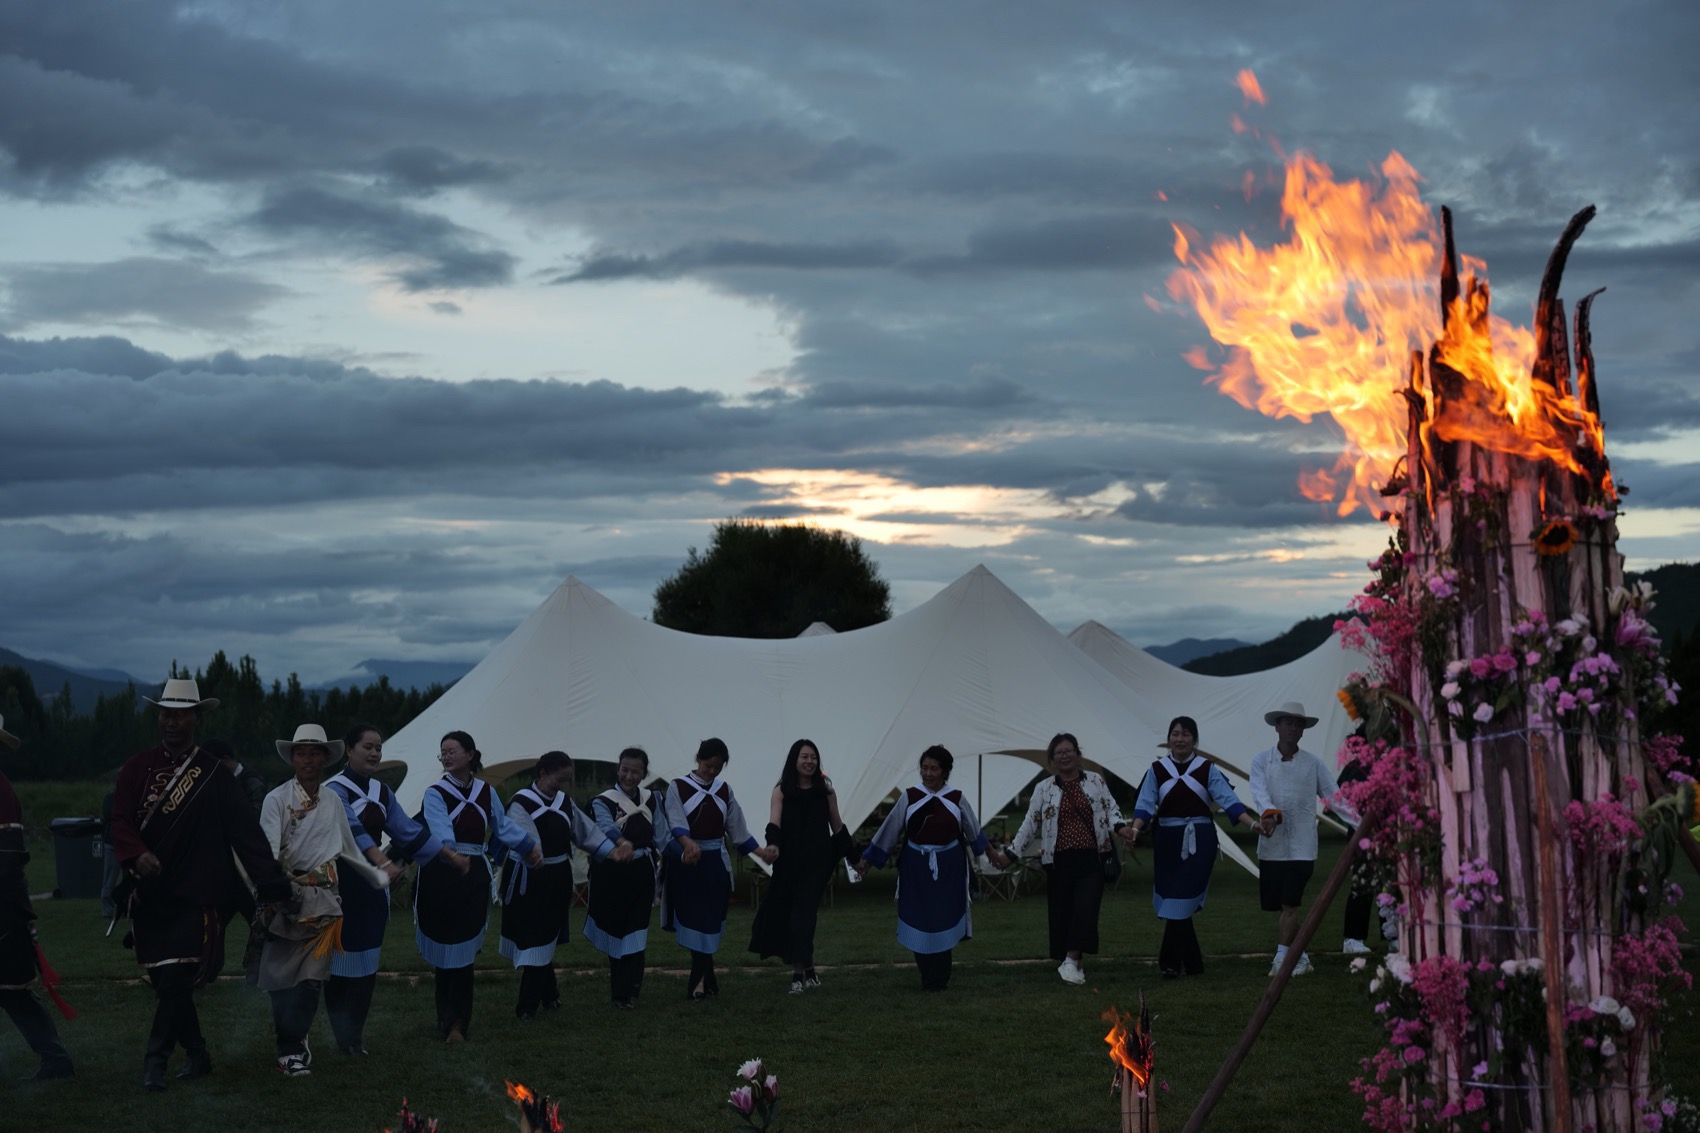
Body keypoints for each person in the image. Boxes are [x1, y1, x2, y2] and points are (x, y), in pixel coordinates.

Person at [108, 677, 290, 1091]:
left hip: (199, 897)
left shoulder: (213, 774)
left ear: (196, 718)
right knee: (165, 981)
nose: (172, 722)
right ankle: (198, 1053)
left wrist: (273, 886)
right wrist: (137, 854)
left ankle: (154, 1063)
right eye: (165, 713)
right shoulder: (136, 769)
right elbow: (119, 820)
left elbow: (246, 834)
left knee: (174, 980)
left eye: (181, 714)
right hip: (150, 896)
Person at [323, 723, 470, 1055]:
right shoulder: (333, 790)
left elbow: (408, 832)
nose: (375, 753)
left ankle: (353, 1039)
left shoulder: (382, 792)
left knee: (366, 965)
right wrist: (383, 863)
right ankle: (341, 1036)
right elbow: (353, 832)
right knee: (337, 966)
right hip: (340, 883)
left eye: (379, 747)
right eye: (368, 747)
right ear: (349, 750)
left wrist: (449, 856)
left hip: (372, 889)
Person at [257, 724, 388, 1077]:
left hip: (324, 897)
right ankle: (290, 1042)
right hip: (286, 893)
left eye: (315, 752)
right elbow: (268, 850)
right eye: (302, 752)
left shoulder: (333, 800)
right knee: (282, 978)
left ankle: (292, 1048)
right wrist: (273, 890)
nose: (308, 758)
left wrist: (375, 873)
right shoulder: (277, 799)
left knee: (311, 979)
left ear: (326, 758)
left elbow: (347, 845)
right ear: (293, 757)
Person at [416, 730, 542, 1042]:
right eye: (442, 751)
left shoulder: (487, 792)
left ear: (471, 754)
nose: (446, 756)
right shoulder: (435, 793)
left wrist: (528, 845)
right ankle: (446, 1017)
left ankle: (457, 1023)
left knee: (462, 951)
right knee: (446, 949)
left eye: (452, 750)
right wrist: (453, 854)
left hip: (473, 874)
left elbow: (502, 827)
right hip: (441, 874)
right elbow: (440, 830)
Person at [854, 745, 1005, 991]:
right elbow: (889, 831)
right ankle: (927, 972)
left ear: (945, 771)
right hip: (916, 867)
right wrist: (866, 862)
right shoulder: (909, 796)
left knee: (943, 917)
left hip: (949, 868)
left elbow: (974, 830)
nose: (928, 773)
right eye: (924, 768)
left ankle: (938, 978)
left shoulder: (956, 797)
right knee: (919, 917)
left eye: (934, 768)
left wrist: (992, 855)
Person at [497, 750, 631, 1020]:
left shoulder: (564, 802)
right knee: (535, 938)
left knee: (544, 937)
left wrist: (611, 851)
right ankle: (527, 1006)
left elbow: (586, 832)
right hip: (529, 877)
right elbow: (525, 839)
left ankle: (548, 996)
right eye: (560, 778)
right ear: (543, 773)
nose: (564, 784)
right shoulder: (521, 803)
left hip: (557, 876)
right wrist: (534, 854)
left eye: (568, 779)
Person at [1125, 716, 1260, 979]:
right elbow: (1145, 803)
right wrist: (1135, 828)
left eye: (1186, 734)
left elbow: (1229, 801)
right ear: (1169, 738)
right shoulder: (1157, 769)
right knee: (1175, 898)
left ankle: (1169, 963)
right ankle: (1194, 963)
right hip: (1166, 841)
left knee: (1181, 896)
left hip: (1200, 839)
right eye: (1175, 734)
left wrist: (1252, 824)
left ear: (1194, 739)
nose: (1180, 739)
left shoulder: (1207, 768)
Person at [1007, 733, 1128, 986]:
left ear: (1077, 753)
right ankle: (1075, 964)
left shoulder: (1095, 781)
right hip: (1058, 858)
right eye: (1058, 753)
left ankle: (1071, 960)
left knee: (1086, 907)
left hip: (1093, 857)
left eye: (1068, 750)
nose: (1064, 756)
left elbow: (1111, 809)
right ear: (1052, 759)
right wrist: (1011, 853)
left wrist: (1120, 828)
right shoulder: (1044, 788)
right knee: (1065, 912)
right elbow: (1031, 823)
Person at [662, 738, 777, 1000]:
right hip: (689, 863)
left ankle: (703, 981)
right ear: (697, 759)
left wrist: (760, 852)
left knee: (710, 923)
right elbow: (675, 820)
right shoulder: (678, 787)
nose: (711, 771)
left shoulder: (725, 790)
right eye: (707, 765)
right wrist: (688, 844)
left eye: (717, 767)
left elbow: (738, 829)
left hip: (715, 864)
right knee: (694, 921)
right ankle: (701, 981)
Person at [1249, 701, 1348, 977]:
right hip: (1272, 846)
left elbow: (1335, 797)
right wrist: (1268, 813)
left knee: (1291, 904)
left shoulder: (1313, 763)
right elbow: (1258, 792)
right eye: (1288, 722)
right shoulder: (1261, 760)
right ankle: (1300, 954)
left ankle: (1281, 959)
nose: (1293, 727)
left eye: (1298, 723)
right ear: (1277, 726)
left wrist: (1363, 822)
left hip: (1303, 845)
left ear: (1303, 730)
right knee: (1282, 906)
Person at [0, 713, 75, 1081]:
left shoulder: (0, 791)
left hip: (2, 909)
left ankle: (56, 1058)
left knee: (13, 990)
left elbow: (7, 861)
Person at [748, 739, 854, 993]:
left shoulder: (826, 791)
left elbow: (837, 826)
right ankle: (810, 969)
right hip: (787, 864)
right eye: (804, 756)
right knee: (788, 914)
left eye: (813, 757)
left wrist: (855, 857)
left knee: (802, 916)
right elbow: (774, 824)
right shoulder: (781, 791)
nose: (809, 761)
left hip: (816, 864)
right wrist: (772, 846)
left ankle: (797, 975)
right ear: (794, 760)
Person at [584, 747, 666, 1008]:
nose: (629, 776)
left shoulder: (652, 799)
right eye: (625, 769)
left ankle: (627, 991)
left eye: (636, 771)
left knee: (636, 929)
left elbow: (662, 833)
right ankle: (621, 988)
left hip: (641, 870)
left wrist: (680, 851)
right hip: (610, 872)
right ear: (618, 769)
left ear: (644, 774)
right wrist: (622, 842)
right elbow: (605, 826)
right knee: (615, 927)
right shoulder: (602, 800)